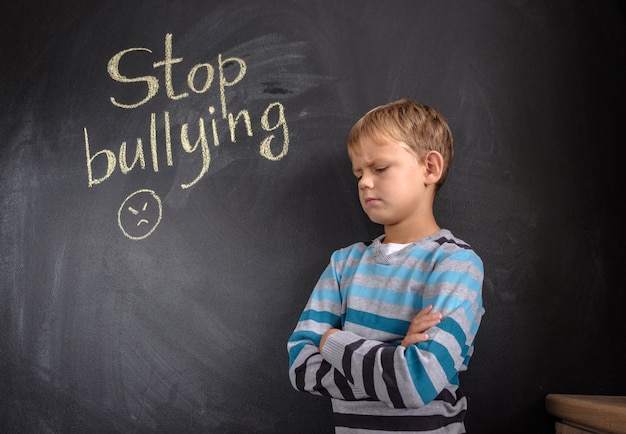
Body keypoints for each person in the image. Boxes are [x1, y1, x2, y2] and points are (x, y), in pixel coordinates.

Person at [287, 98, 485, 433]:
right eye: (358, 173)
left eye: (379, 169)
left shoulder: (456, 263)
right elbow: (301, 368)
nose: (364, 182)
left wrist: (331, 340)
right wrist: (394, 359)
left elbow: (415, 382)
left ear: (430, 168)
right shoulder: (343, 263)